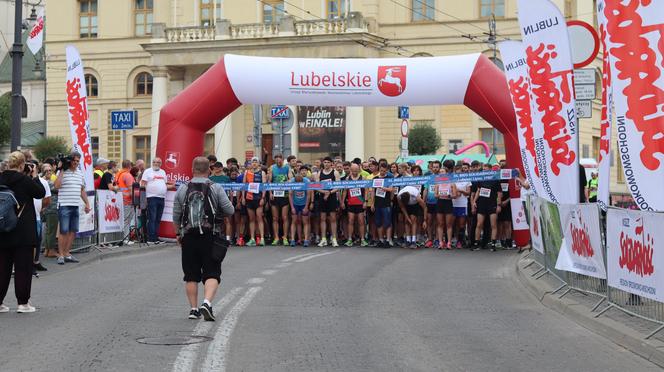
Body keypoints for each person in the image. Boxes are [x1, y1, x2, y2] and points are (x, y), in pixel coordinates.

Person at [173, 156, 234, 321]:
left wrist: (178, 233)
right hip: (210, 235)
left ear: (192, 169)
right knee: (212, 272)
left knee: (191, 275)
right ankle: (206, 303)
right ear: (209, 170)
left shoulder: (182, 188)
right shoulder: (216, 187)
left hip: (189, 236)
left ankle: (193, 309)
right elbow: (230, 210)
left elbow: (176, 214)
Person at [0, 151, 46, 313]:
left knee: (2, 268)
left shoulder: (1, 177)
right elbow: (40, 193)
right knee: (23, 268)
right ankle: (23, 303)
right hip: (22, 230)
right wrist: (34, 175)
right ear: (22, 165)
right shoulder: (24, 180)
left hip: (2, 229)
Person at [55, 151, 91, 264]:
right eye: (74, 161)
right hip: (64, 204)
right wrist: (61, 170)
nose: (76, 163)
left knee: (73, 231)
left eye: (77, 161)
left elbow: (82, 190)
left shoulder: (80, 173)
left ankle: (67, 253)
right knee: (63, 231)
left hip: (75, 205)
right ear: (70, 161)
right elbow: (57, 186)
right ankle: (60, 255)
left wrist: (87, 203)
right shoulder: (63, 172)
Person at [141, 158, 174, 244]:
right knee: (152, 218)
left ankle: (156, 237)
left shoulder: (163, 172)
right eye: (154, 162)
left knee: (158, 219)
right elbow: (142, 184)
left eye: (158, 162)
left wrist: (173, 185)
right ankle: (151, 238)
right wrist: (144, 196)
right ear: (152, 163)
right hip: (152, 197)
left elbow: (165, 185)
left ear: (161, 163)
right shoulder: (147, 171)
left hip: (161, 197)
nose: (156, 163)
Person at [471, 163, 503, 251]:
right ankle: (477, 243)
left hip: (492, 204)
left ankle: (493, 244)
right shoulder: (480, 179)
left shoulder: (495, 180)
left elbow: (499, 194)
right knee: (479, 224)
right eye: (483, 170)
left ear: (490, 170)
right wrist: (474, 201)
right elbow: (478, 190)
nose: (484, 171)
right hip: (481, 204)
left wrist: (499, 205)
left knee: (493, 225)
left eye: (486, 169)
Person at [340, 163, 368, 247]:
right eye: (353, 170)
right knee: (350, 221)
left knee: (361, 221)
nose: (354, 172)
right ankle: (349, 239)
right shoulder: (348, 179)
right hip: (351, 203)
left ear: (358, 170)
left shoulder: (362, 178)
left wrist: (365, 201)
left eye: (356, 170)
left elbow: (366, 190)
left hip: (360, 202)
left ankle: (362, 239)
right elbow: (345, 191)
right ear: (351, 170)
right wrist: (342, 202)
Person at [316, 157, 340, 247]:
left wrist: (329, 192)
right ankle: (323, 239)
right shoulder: (320, 173)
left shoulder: (335, 172)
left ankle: (334, 239)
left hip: (332, 197)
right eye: (325, 162)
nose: (326, 164)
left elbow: (338, 186)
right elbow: (317, 186)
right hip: (322, 197)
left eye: (328, 162)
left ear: (331, 163)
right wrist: (324, 192)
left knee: (333, 218)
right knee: (322, 218)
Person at [32, 160, 51, 275]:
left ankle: (36, 261)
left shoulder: (43, 182)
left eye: (33, 168)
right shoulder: (24, 181)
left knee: (38, 241)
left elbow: (47, 199)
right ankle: (29, 264)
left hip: (37, 216)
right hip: (26, 217)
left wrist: (40, 208)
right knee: (31, 242)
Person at [242, 157, 267, 246]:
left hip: (258, 198)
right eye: (253, 162)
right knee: (251, 219)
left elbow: (264, 186)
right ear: (251, 164)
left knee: (259, 218)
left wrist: (263, 198)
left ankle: (262, 238)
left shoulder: (262, 173)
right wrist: (243, 198)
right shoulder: (246, 172)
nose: (254, 163)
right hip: (249, 198)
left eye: (256, 162)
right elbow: (244, 186)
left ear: (259, 163)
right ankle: (252, 238)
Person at [268, 154, 290, 246]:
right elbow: (269, 181)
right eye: (276, 159)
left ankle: (285, 237)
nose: (278, 161)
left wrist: (285, 183)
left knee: (284, 217)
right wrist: (270, 193)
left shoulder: (287, 167)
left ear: (282, 159)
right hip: (275, 194)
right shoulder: (272, 168)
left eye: (279, 159)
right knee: (275, 218)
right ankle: (276, 237)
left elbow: (291, 179)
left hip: (284, 194)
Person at [370, 163, 394, 247]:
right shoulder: (375, 179)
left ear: (387, 170)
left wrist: (384, 188)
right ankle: (380, 239)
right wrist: (372, 203)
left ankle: (387, 240)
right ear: (379, 169)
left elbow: (392, 189)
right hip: (377, 203)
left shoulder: (389, 178)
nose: (382, 172)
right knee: (378, 222)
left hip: (386, 203)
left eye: (384, 171)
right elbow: (373, 191)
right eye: (381, 170)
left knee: (387, 222)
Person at [397, 185, 427, 249]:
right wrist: (407, 218)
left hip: (415, 204)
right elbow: (402, 207)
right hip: (406, 206)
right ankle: (408, 240)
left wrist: (425, 220)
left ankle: (413, 240)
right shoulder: (399, 196)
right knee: (406, 221)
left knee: (413, 219)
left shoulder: (415, 195)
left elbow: (425, 207)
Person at [115, 160, 136, 245]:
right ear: (129, 166)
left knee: (124, 220)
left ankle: (123, 238)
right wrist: (135, 200)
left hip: (120, 199)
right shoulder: (128, 175)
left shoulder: (118, 174)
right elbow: (131, 189)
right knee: (126, 220)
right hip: (128, 200)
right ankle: (125, 239)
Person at [288, 168, 311, 246]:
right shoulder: (292, 181)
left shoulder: (306, 181)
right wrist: (292, 207)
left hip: (304, 203)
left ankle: (306, 240)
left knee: (305, 222)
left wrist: (306, 207)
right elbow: (290, 195)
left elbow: (308, 195)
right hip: (295, 203)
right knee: (294, 221)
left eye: (300, 182)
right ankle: (293, 239)